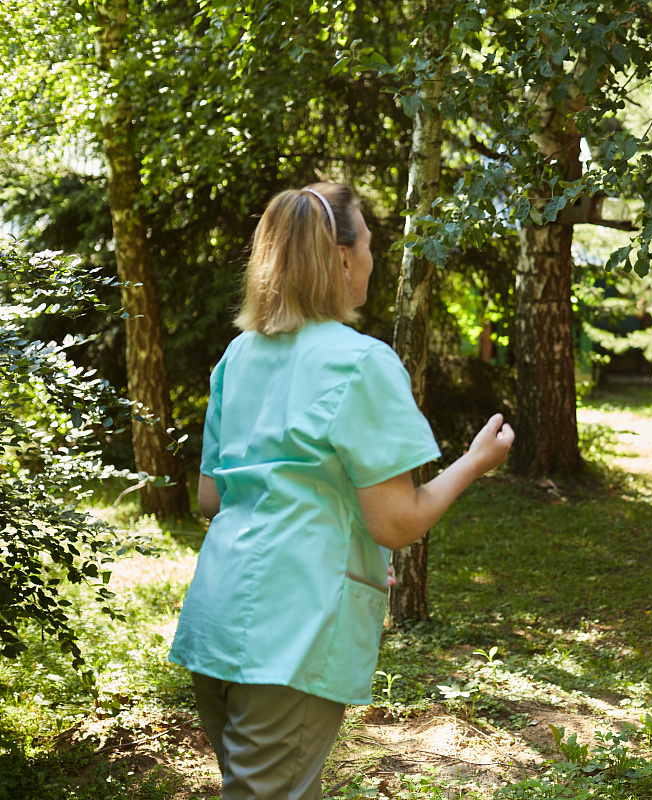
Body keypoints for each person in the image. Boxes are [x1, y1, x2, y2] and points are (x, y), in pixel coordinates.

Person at [169, 182, 514, 800]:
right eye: (372, 247)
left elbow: (213, 501)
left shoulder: (238, 356)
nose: (375, 262)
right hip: (290, 636)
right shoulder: (361, 362)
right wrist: (473, 462)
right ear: (343, 257)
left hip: (218, 622)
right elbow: (398, 523)